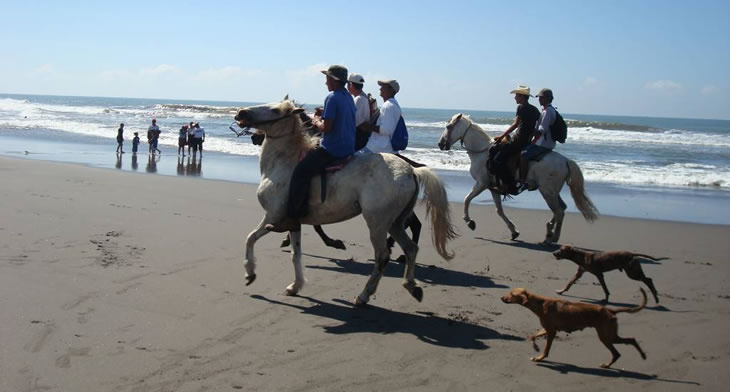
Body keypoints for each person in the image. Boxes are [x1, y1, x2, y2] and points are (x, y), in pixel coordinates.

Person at [265, 65, 356, 233]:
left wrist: (315, 121)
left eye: (327, 78)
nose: (325, 82)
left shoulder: (332, 97)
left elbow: (326, 128)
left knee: (300, 172)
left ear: (334, 80)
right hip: (349, 146)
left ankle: (292, 218)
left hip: (333, 148)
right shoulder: (348, 97)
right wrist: (324, 115)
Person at [492, 85, 540, 195]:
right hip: (526, 142)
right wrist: (531, 134)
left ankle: (508, 184)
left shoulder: (521, 107)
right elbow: (539, 124)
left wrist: (501, 136)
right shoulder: (534, 109)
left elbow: (516, 124)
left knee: (497, 160)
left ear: (522, 97)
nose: (515, 98)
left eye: (516, 96)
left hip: (518, 140)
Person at [519, 88, 557, 188]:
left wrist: (530, 133)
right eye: (539, 98)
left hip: (543, 144)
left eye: (541, 98)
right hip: (545, 142)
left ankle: (523, 182)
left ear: (547, 98)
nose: (539, 100)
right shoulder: (548, 110)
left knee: (523, 155)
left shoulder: (547, 111)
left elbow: (542, 129)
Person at [361, 79, 401, 154]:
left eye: (384, 87)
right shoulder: (394, 105)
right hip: (385, 146)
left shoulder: (388, 106)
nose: (380, 88)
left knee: (353, 159)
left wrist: (368, 127)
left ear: (391, 90)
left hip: (379, 147)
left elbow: (386, 130)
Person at [347, 73, 371, 150]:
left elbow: (354, 120)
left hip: (358, 135)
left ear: (351, 85)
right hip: (361, 135)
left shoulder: (358, 99)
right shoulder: (363, 97)